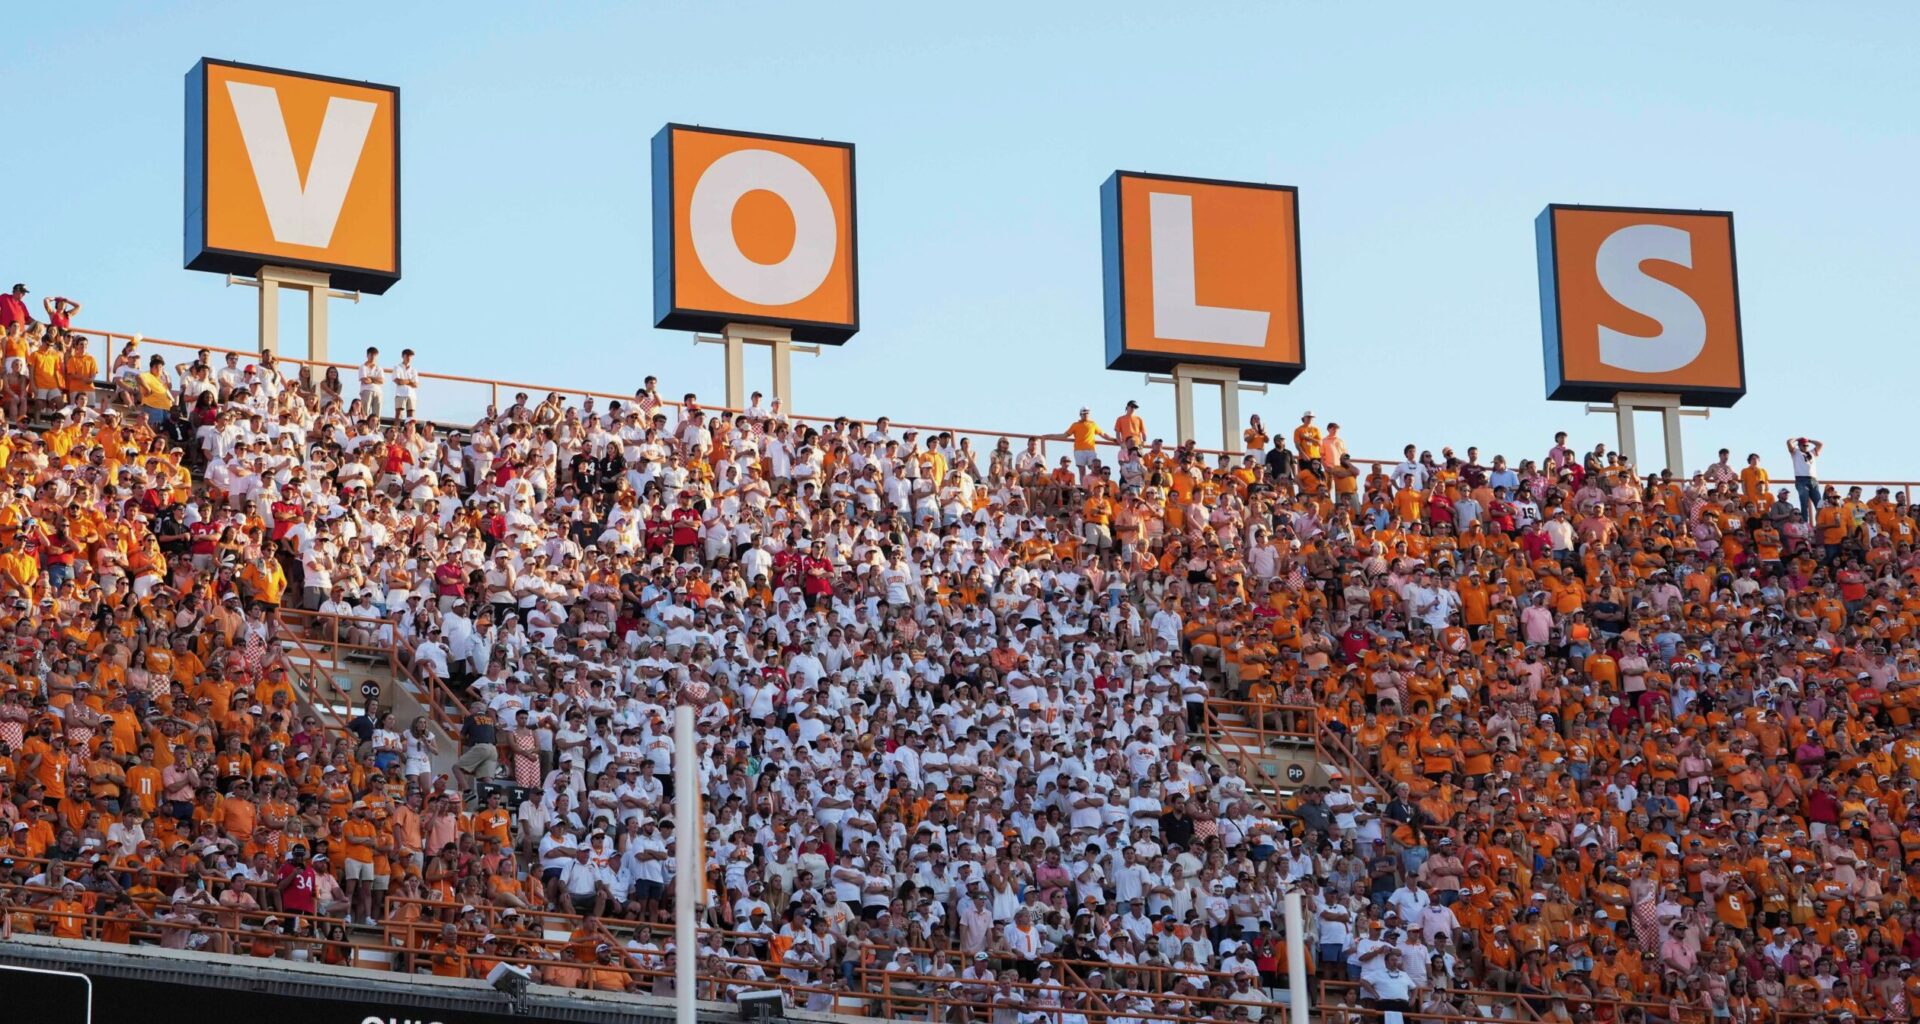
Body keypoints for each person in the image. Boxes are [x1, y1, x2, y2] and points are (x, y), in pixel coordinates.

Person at [1786, 435, 1823, 520]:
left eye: (1807, 445)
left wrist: (1809, 440)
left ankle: (1820, 521)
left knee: (1819, 504)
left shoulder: (1812, 453)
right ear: (1799, 445)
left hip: (1813, 480)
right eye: (1803, 445)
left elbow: (1820, 444)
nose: (1805, 447)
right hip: (1801, 479)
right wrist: (1797, 439)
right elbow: (1788, 442)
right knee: (1804, 502)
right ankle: (1805, 523)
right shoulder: (1795, 452)